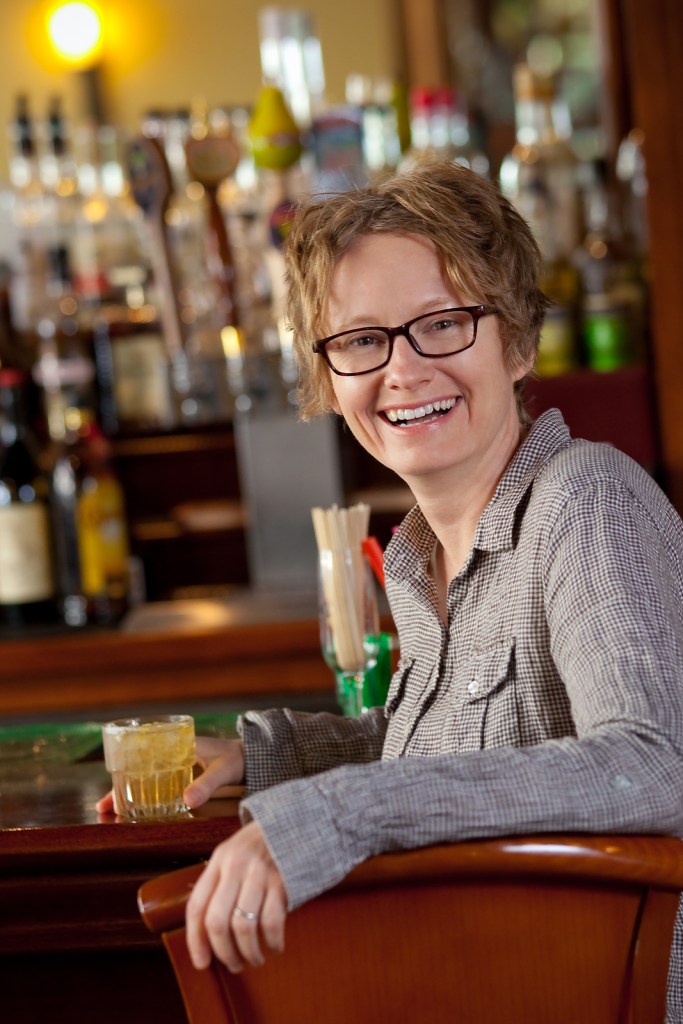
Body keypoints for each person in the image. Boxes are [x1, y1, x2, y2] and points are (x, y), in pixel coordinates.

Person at [98, 161, 683, 1016]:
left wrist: (334, 815)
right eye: (362, 340)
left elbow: (651, 765)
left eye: (441, 324)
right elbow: (470, 748)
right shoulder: (420, 556)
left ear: (517, 341)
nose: (401, 372)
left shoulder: (582, 499)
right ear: (329, 378)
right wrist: (274, 756)